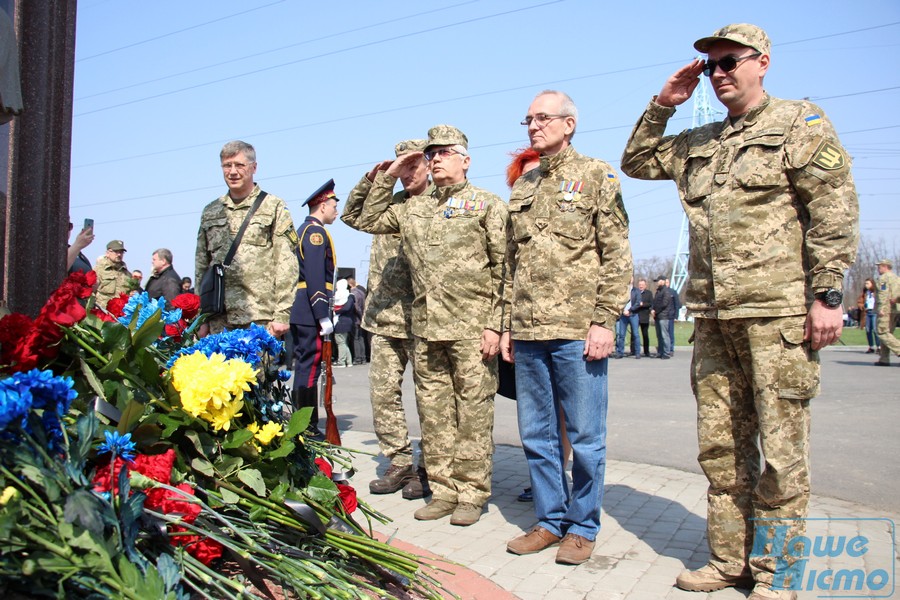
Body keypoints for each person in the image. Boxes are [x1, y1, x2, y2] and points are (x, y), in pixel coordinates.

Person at [620, 23, 859, 600]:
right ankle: (729, 560)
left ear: (763, 62)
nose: (721, 72)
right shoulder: (699, 140)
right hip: (713, 317)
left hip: (778, 315)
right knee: (720, 448)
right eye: (712, 65)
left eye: (731, 61)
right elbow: (636, 161)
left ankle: (777, 572)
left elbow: (833, 210)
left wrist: (827, 295)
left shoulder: (799, 124)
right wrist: (663, 104)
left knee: (781, 451)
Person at [502, 90, 632, 565]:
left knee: (585, 436)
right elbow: (510, 265)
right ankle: (548, 520)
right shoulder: (524, 185)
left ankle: (582, 526)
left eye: (543, 118)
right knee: (537, 434)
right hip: (529, 330)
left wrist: (605, 320)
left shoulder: (597, 175)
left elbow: (616, 251)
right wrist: (506, 326)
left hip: (578, 330)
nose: (534, 126)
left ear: (569, 123)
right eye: (529, 120)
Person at [357, 125, 507, 527]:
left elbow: (504, 269)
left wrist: (496, 325)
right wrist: (389, 175)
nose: (436, 159)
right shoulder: (413, 207)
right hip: (425, 328)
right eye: (431, 154)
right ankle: (443, 490)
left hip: (472, 329)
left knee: (473, 414)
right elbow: (363, 217)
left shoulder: (487, 204)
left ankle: (472, 493)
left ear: (466, 159)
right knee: (435, 414)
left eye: (444, 152)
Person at [341, 139, 432, 500]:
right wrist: (374, 178)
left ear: (428, 164)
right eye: (401, 167)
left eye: (413, 165)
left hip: (425, 318)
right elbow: (352, 216)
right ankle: (399, 461)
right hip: (384, 316)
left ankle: (428, 466)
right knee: (382, 394)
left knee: (430, 398)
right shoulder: (389, 205)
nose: (406, 173)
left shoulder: (439, 205)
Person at [504, 146, 571, 504]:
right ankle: (544, 480)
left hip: (565, 328)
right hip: (523, 328)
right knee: (536, 413)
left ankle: (561, 476)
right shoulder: (511, 217)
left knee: (565, 411)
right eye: (524, 176)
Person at [195, 140, 298, 337]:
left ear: (254, 167)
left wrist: (282, 314)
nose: (233, 171)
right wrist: (201, 317)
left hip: (259, 318)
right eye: (227, 165)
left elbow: (286, 263)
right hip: (219, 318)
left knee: (256, 369)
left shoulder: (273, 206)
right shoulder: (211, 211)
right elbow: (201, 266)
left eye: (240, 165)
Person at [289, 179, 339, 441]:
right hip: (310, 309)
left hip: (305, 308)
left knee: (306, 365)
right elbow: (316, 275)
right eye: (333, 205)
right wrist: (322, 313)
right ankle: (305, 425)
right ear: (321, 205)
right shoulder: (314, 233)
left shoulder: (306, 230)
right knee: (309, 366)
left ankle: (304, 422)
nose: (336, 211)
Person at [874, 259, 900, 366]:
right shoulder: (896, 278)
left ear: (885, 266)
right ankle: (884, 358)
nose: (878, 268)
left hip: (887, 309)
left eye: (879, 266)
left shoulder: (884, 278)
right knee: (888, 332)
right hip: (895, 309)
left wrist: (881, 308)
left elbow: (883, 295)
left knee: (882, 332)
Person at [93, 240, 132, 309]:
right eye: (116, 252)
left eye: (121, 252)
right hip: (103, 314)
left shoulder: (127, 274)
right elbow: (91, 291)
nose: (119, 254)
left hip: (120, 315)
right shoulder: (99, 270)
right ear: (108, 253)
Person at [614, 279, 642, 359]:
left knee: (636, 334)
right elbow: (618, 301)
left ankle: (637, 352)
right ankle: (620, 352)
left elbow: (638, 303)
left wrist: (629, 310)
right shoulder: (622, 290)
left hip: (633, 315)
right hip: (623, 315)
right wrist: (623, 310)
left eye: (631, 277)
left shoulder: (636, 291)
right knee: (621, 335)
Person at [331, 279, 355, 368]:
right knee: (344, 342)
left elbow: (346, 308)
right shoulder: (350, 296)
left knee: (340, 342)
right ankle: (349, 361)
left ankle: (341, 361)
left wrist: (336, 311)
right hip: (347, 321)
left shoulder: (348, 297)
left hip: (341, 321)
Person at [651, 276, 675, 358]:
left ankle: (666, 352)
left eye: (658, 281)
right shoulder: (658, 291)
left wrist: (656, 310)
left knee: (665, 335)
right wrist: (652, 309)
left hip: (663, 316)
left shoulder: (666, 291)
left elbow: (664, 304)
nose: (657, 282)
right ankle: (660, 352)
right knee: (659, 335)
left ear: (663, 281)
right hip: (657, 316)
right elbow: (655, 302)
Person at [346, 276, 368, 364]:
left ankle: (358, 358)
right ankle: (363, 357)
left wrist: (359, 316)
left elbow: (357, 307)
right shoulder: (361, 292)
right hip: (361, 318)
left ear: (349, 285)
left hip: (356, 319)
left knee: (356, 339)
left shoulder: (353, 293)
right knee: (361, 338)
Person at [858, 278, 880, 354]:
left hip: (874, 312)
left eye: (867, 283)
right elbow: (860, 302)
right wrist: (863, 306)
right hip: (867, 312)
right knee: (868, 330)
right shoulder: (865, 292)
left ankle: (879, 347)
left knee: (875, 329)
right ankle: (871, 347)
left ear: (872, 284)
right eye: (865, 283)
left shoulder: (876, 292)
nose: (866, 285)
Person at [635, 278, 653, 357]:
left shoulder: (649, 293)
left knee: (645, 335)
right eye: (640, 285)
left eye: (642, 285)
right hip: (635, 316)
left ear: (645, 286)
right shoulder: (635, 292)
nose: (641, 286)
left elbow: (650, 303)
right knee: (634, 334)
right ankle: (634, 350)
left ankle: (646, 351)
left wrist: (643, 304)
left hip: (644, 316)